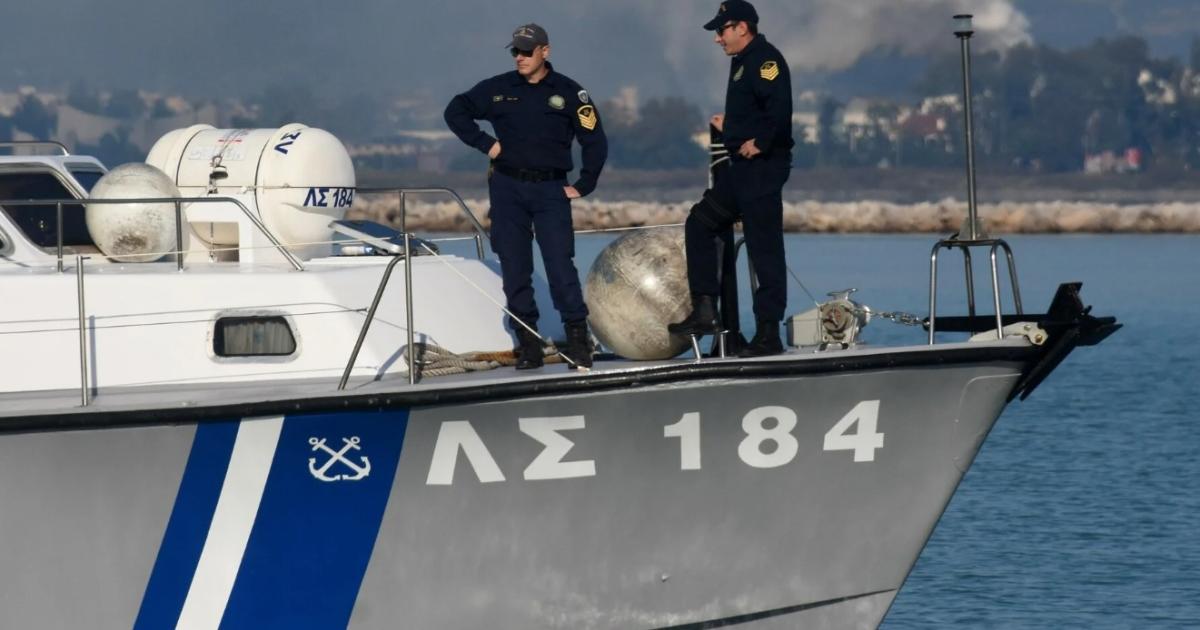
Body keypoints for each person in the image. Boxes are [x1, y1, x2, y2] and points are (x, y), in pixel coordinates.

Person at [444, 23, 608, 370]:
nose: (519, 57)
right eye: (515, 51)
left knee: (560, 266)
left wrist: (584, 184)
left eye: (526, 51)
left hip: (550, 190)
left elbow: (594, 139)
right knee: (515, 269)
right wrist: (486, 144)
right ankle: (528, 344)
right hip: (507, 190)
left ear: (545, 51)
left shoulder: (570, 92)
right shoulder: (498, 89)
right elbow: (455, 110)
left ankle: (578, 340)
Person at [668, 0, 794, 357]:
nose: (717, 38)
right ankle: (706, 311)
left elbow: (779, 108)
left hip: (762, 168)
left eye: (722, 30)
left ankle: (768, 333)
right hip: (742, 168)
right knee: (700, 222)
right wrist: (732, 128)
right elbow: (755, 109)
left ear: (742, 27)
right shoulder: (742, 61)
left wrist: (761, 142)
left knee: (763, 247)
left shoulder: (765, 59)